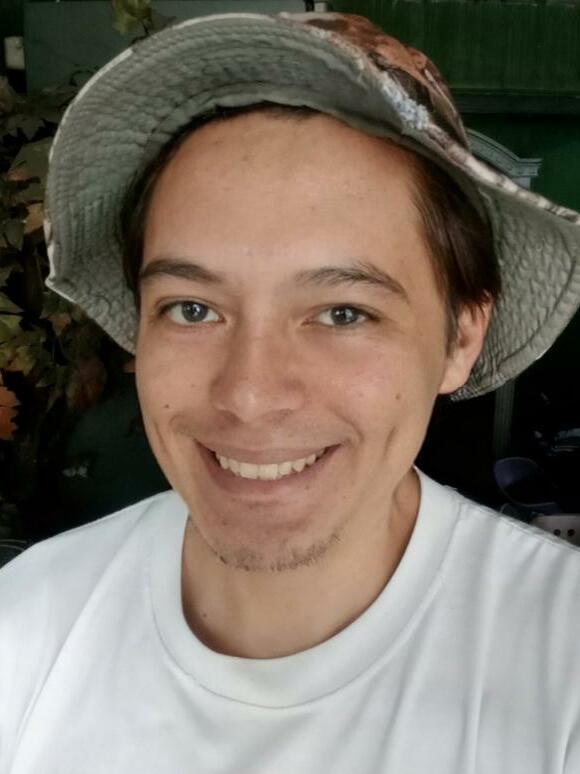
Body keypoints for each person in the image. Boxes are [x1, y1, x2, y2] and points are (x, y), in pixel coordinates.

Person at [2, 11, 580, 773]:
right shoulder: (28, 621)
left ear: (459, 341)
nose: (249, 395)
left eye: (343, 313)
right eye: (193, 309)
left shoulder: (561, 662)